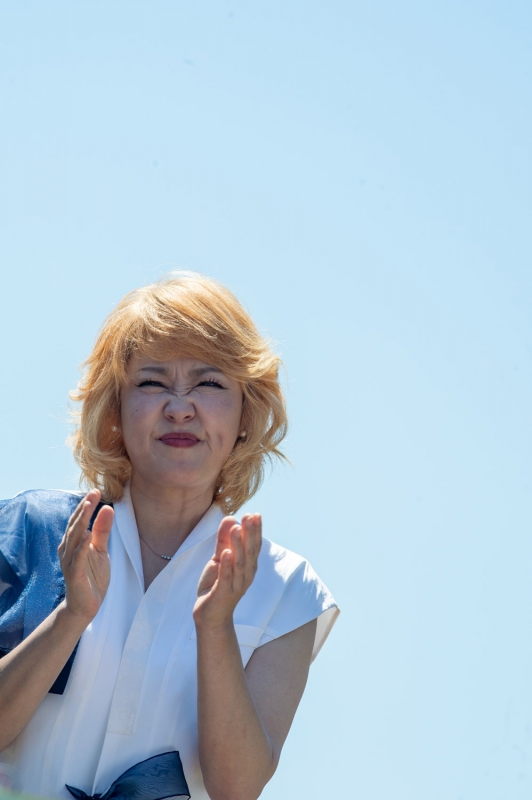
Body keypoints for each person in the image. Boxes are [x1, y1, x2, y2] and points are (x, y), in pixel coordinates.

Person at [0, 272, 339, 800]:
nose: (180, 407)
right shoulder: (35, 527)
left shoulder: (287, 589)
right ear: (115, 409)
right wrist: (70, 616)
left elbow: (237, 788)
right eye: (152, 383)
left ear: (247, 413)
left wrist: (216, 627)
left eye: (210, 384)